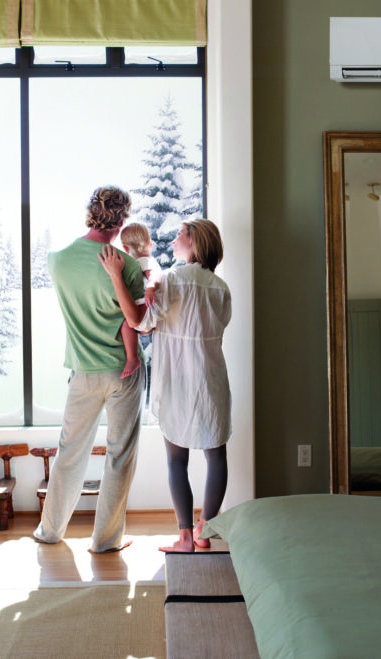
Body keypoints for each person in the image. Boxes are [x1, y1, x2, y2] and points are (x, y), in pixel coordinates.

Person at [98, 219, 231, 552]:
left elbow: (140, 322)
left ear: (196, 241)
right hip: (212, 381)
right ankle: (204, 531)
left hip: (177, 382)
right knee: (217, 458)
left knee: (177, 461)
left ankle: (185, 537)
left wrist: (117, 277)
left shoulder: (172, 280)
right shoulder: (220, 288)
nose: (174, 239)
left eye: (180, 234)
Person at [32, 185, 147, 554]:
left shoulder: (57, 260)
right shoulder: (124, 265)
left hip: (82, 371)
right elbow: (132, 321)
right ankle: (106, 540)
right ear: (122, 219)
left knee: (70, 451)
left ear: (90, 212)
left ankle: (50, 531)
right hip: (122, 372)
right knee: (120, 454)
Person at [114, 223, 163, 379]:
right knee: (127, 322)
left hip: (145, 308)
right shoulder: (146, 260)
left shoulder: (144, 261)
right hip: (148, 311)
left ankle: (132, 358)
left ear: (126, 249)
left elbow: (154, 276)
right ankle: (133, 358)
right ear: (150, 244)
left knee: (124, 321)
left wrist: (150, 289)